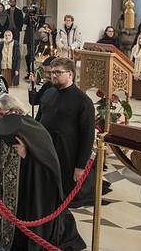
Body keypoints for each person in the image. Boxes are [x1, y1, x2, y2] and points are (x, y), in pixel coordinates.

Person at [0, 97, 87, 251]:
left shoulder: (35, 130)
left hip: (25, 191)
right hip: (2, 188)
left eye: (1, 115)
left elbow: (47, 165)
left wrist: (27, 155)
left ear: (15, 111)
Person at [35, 57, 96, 208]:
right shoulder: (48, 93)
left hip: (68, 154)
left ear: (70, 74)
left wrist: (81, 166)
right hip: (46, 151)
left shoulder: (83, 101)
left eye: (58, 72)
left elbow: (88, 136)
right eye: (52, 72)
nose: (53, 76)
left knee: (65, 196)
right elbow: (38, 122)